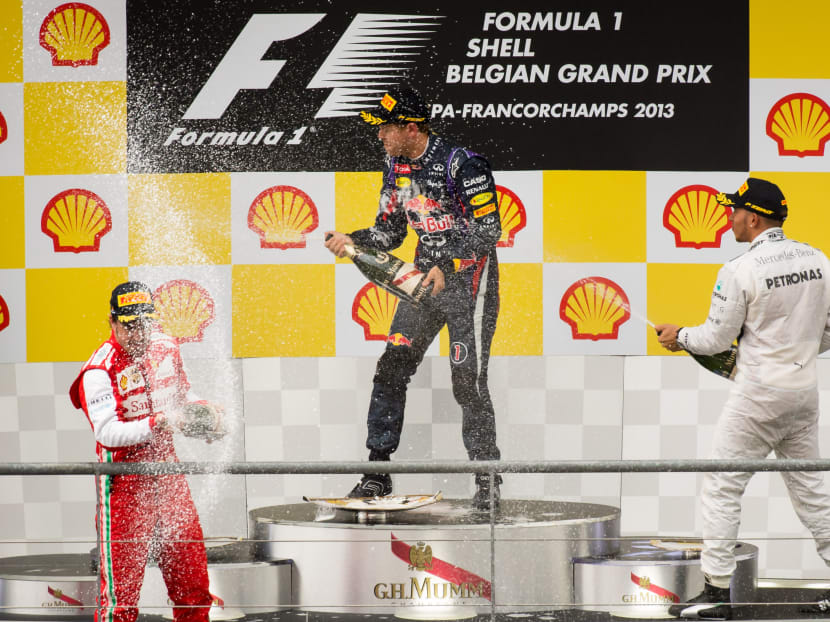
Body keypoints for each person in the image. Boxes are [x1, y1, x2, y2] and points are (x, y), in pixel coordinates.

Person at [655, 178, 830, 619]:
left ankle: (716, 595)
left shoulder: (739, 269)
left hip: (757, 398)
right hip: (803, 394)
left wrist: (681, 337)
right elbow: (827, 332)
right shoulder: (820, 261)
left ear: (752, 218)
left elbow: (715, 340)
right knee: (814, 496)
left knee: (721, 488)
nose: (728, 217)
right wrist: (799, 352)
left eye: (733, 211)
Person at [325, 86, 502, 509]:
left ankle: (487, 480)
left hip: (470, 283)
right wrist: (354, 239)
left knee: (467, 381)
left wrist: (452, 262)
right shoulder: (395, 167)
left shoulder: (464, 164)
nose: (380, 136)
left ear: (410, 127)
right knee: (391, 367)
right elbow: (390, 231)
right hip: (424, 283)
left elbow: (489, 230)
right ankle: (377, 473)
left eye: (385, 127)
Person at [69, 281, 223, 622]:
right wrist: (162, 421)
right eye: (130, 324)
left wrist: (205, 416)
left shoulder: (167, 346)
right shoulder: (99, 368)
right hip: (124, 486)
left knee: (193, 585)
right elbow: (107, 433)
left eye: (145, 323)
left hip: (170, 480)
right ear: (112, 321)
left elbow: (185, 397)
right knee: (120, 600)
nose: (139, 332)